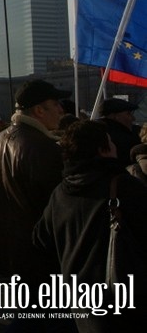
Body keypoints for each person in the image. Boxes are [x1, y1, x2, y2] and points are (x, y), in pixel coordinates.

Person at [34, 120, 147, 332]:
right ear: (102, 149)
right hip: (123, 297)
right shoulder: (122, 186)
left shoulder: (60, 192)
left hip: (80, 300)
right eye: (110, 142)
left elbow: (41, 239)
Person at [0, 79, 69, 289]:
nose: (61, 110)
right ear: (39, 110)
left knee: (29, 314)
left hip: (7, 248)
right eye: (56, 104)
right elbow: (54, 205)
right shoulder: (43, 147)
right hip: (38, 252)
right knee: (47, 315)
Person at [97, 98, 139, 166]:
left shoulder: (95, 132)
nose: (133, 118)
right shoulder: (125, 138)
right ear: (113, 116)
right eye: (128, 114)